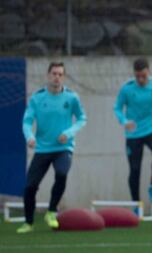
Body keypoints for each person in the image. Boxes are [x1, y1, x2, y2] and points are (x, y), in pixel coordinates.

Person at [18, 62, 87, 233]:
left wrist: (69, 133)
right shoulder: (37, 98)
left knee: (62, 173)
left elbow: (82, 118)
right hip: (42, 149)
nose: (57, 77)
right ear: (48, 75)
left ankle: (51, 211)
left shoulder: (72, 98)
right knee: (30, 187)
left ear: (63, 77)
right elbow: (27, 122)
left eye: (60, 74)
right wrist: (30, 137)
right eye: (54, 73)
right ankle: (28, 222)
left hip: (63, 148)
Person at [114, 58, 152, 209]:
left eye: (144, 76)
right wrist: (124, 121)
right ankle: (136, 204)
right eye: (138, 76)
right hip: (134, 134)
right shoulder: (127, 89)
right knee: (135, 169)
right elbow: (117, 108)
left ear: (149, 72)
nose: (141, 79)